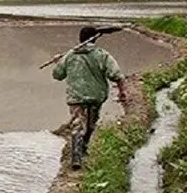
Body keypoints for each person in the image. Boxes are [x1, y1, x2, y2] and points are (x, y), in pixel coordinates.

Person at [52, 25, 129, 169]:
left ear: (80, 39)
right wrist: (122, 92)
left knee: (78, 124)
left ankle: (77, 154)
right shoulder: (102, 55)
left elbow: (57, 75)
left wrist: (57, 62)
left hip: (76, 97)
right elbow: (116, 75)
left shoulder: (70, 55)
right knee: (90, 124)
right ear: (95, 39)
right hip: (96, 96)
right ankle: (83, 149)